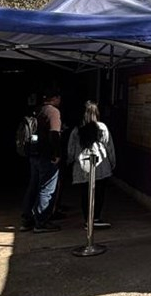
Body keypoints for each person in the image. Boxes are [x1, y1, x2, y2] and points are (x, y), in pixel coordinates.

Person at [67, 101, 116, 228]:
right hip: (100, 166)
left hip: (82, 167)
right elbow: (109, 147)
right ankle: (96, 218)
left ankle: (87, 219)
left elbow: (71, 150)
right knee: (99, 193)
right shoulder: (102, 127)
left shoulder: (76, 130)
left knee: (85, 194)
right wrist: (112, 163)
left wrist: (69, 161)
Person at [28, 88, 63, 232]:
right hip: (47, 155)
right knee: (47, 188)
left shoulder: (37, 110)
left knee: (33, 186)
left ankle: (27, 218)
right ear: (55, 98)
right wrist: (57, 154)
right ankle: (41, 221)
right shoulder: (53, 112)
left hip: (34, 153)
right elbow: (54, 134)